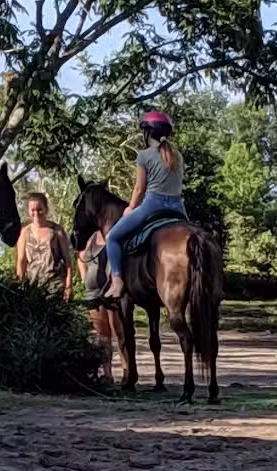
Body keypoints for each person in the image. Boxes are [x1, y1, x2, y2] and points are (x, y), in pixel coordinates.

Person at [104, 111, 186, 299]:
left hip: (153, 205)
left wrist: (130, 208)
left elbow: (140, 188)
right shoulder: (178, 156)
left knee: (112, 238)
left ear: (147, 133)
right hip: (178, 208)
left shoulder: (144, 155)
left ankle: (117, 282)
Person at [78, 231, 124, 384]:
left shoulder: (116, 235)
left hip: (112, 291)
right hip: (93, 293)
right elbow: (81, 258)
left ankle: (128, 372)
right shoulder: (90, 238)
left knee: (119, 331)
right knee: (102, 335)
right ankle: (107, 374)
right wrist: (85, 278)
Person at [16, 192, 73, 302]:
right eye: (33, 210)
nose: (36, 213)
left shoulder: (57, 231)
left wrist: (68, 286)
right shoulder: (24, 232)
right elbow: (21, 262)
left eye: (39, 209)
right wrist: (19, 286)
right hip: (33, 288)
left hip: (55, 287)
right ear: (28, 211)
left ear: (46, 209)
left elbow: (68, 262)